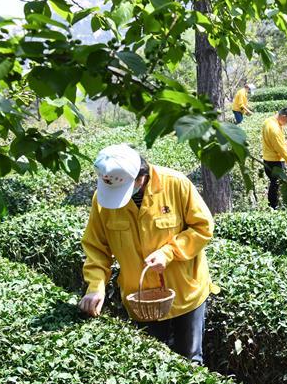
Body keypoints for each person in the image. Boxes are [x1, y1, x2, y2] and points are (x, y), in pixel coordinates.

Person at [78, 144, 217, 364]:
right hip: (139, 297)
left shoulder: (176, 184)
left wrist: (169, 252)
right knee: (151, 362)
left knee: (191, 360)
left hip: (185, 291)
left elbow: (203, 227)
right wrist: (96, 286)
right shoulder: (103, 199)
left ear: (140, 177)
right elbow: (97, 248)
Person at [261, 108, 287, 210]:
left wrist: (286, 144)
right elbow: (279, 148)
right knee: (275, 184)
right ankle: (273, 206)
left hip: (267, 158)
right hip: (274, 161)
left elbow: (277, 142)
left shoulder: (268, 121)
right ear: (283, 116)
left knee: (274, 182)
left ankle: (274, 204)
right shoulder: (274, 128)